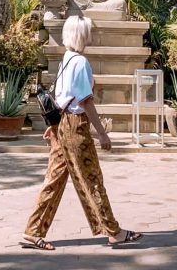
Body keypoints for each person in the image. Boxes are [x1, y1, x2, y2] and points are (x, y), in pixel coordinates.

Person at [20, 15, 142, 251]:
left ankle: (33, 231)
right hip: (76, 126)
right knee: (92, 178)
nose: (91, 36)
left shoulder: (66, 59)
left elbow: (63, 98)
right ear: (81, 35)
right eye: (88, 32)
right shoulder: (80, 62)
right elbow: (86, 102)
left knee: (54, 180)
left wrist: (55, 128)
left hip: (63, 124)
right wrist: (102, 134)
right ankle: (114, 232)